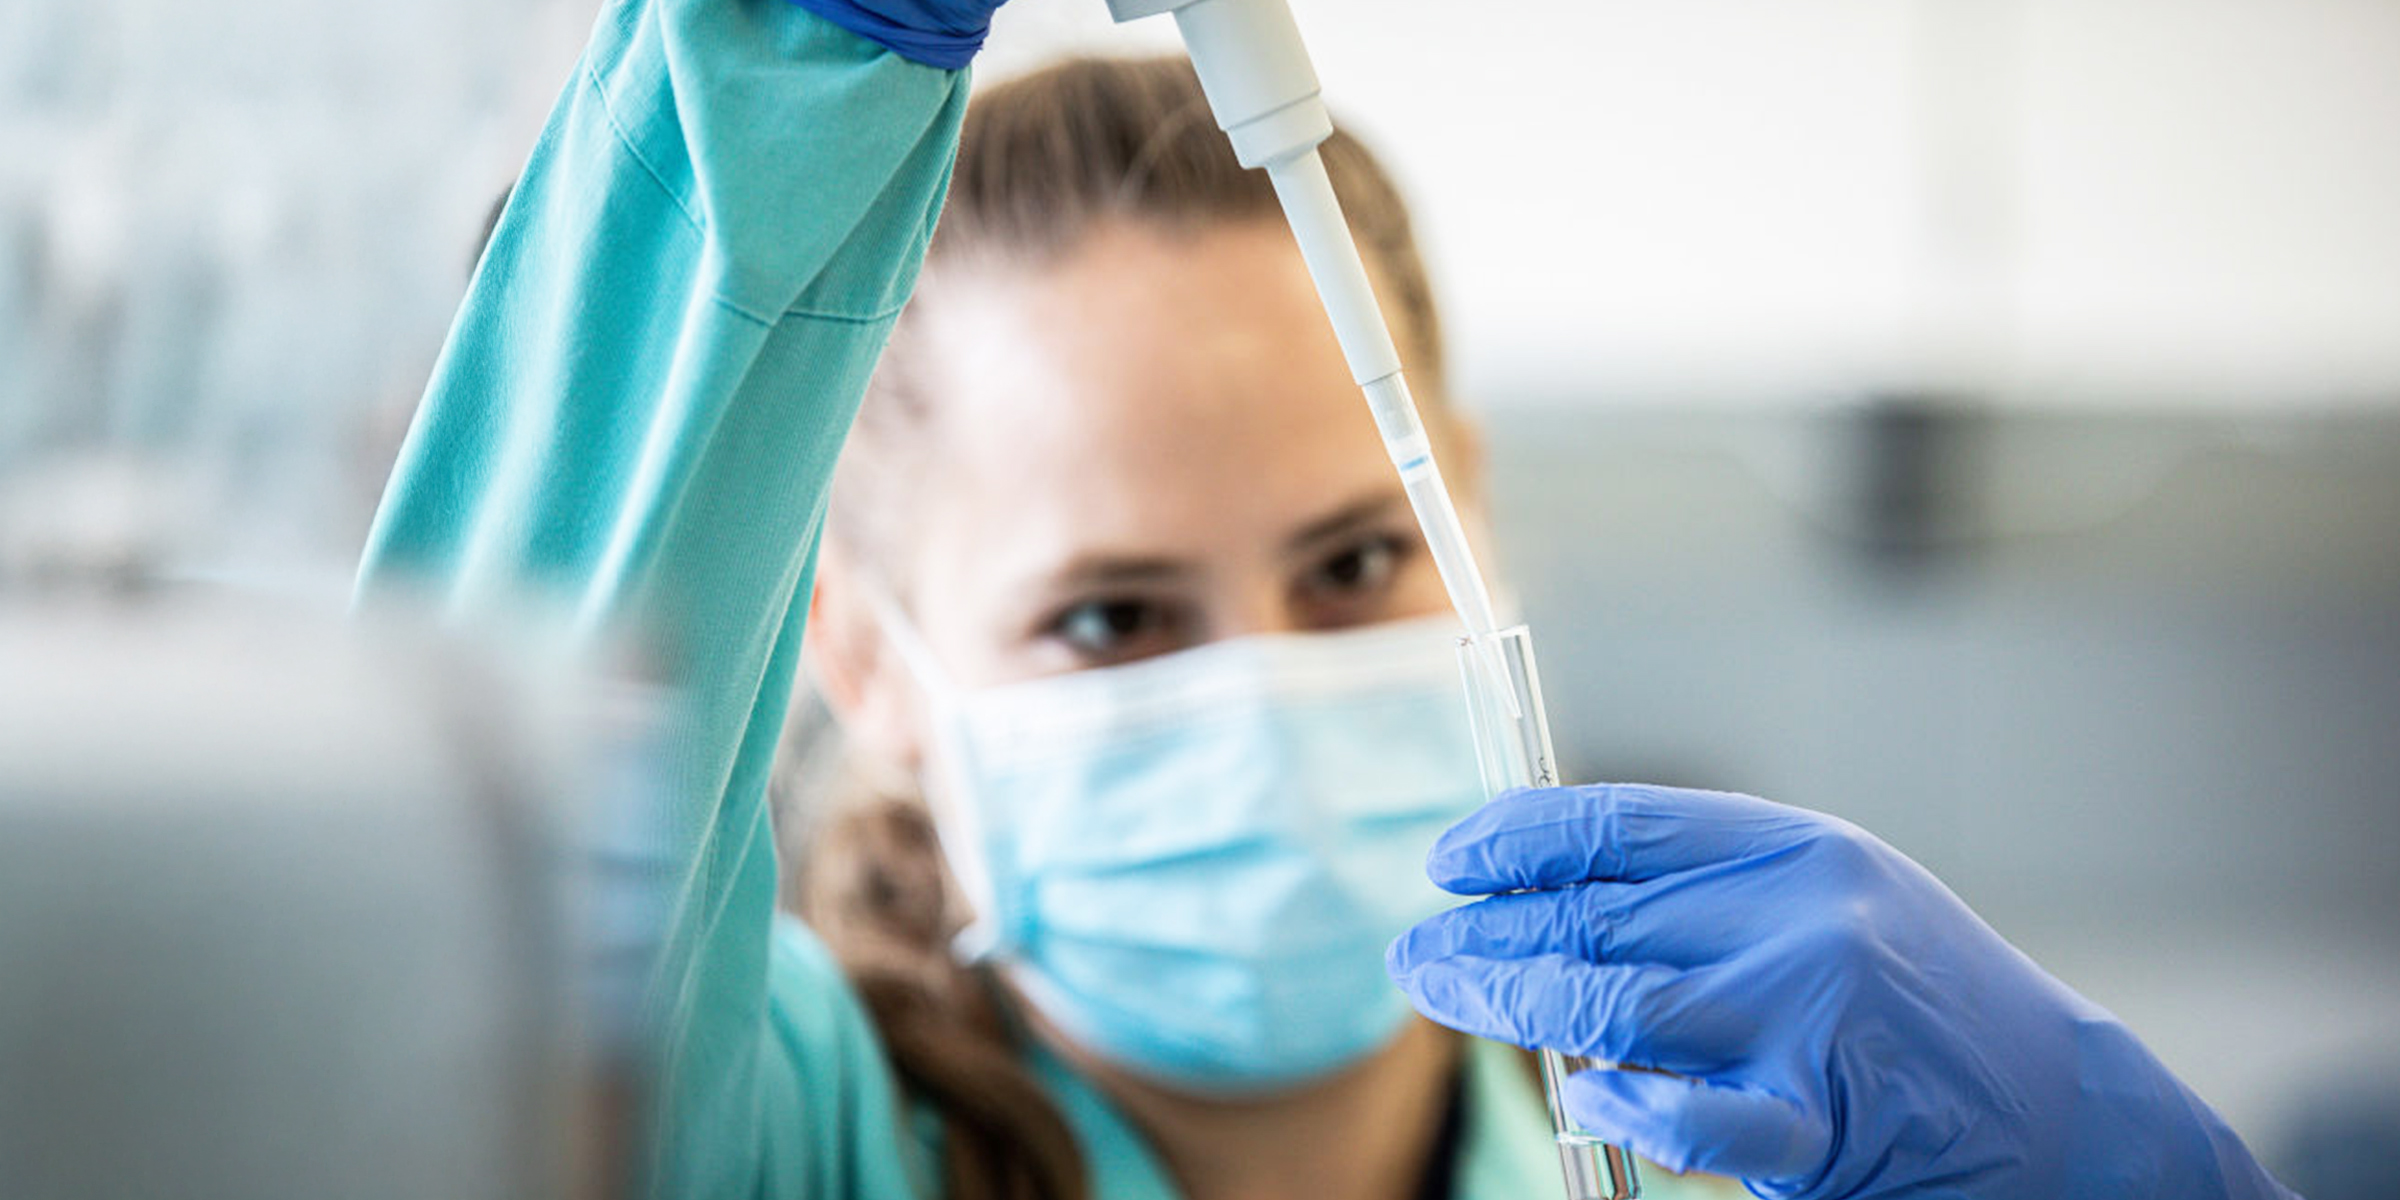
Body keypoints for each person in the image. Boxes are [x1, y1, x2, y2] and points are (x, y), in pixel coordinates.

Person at [354, 2, 2297, 1198]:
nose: (1269, 689)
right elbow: (468, 926)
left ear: (1477, 516)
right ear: (869, 660)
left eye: (1360, 560)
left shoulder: (1745, 1169)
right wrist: (791, 52)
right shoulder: (775, 1154)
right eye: (1113, 618)